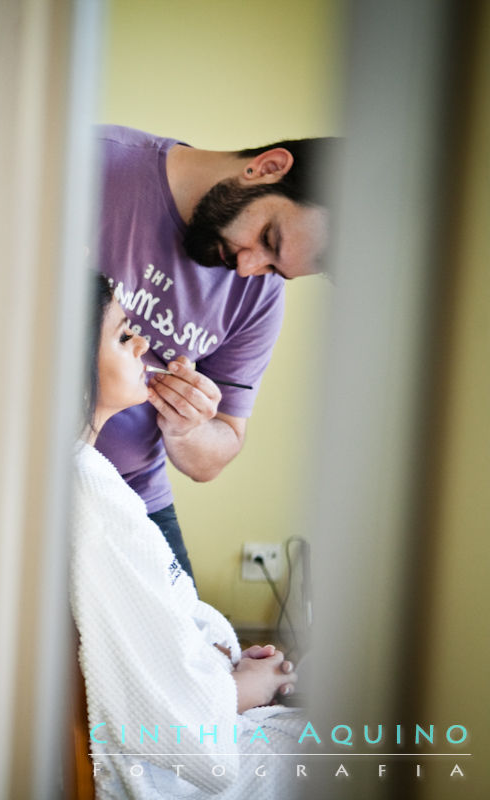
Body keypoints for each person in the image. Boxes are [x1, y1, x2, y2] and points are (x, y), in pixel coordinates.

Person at [71, 275, 301, 799]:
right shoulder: (98, 509)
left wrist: (222, 660)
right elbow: (185, 732)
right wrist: (247, 687)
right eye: (125, 335)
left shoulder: (89, 480)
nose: (144, 345)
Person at [94, 125, 338, 580]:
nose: (249, 267)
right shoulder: (94, 163)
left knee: (205, 647)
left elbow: (219, 449)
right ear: (267, 167)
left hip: (132, 495)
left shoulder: (259, 295)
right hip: (10, 470)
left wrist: (189, 429)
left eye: (275, 269)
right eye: (268, 238)